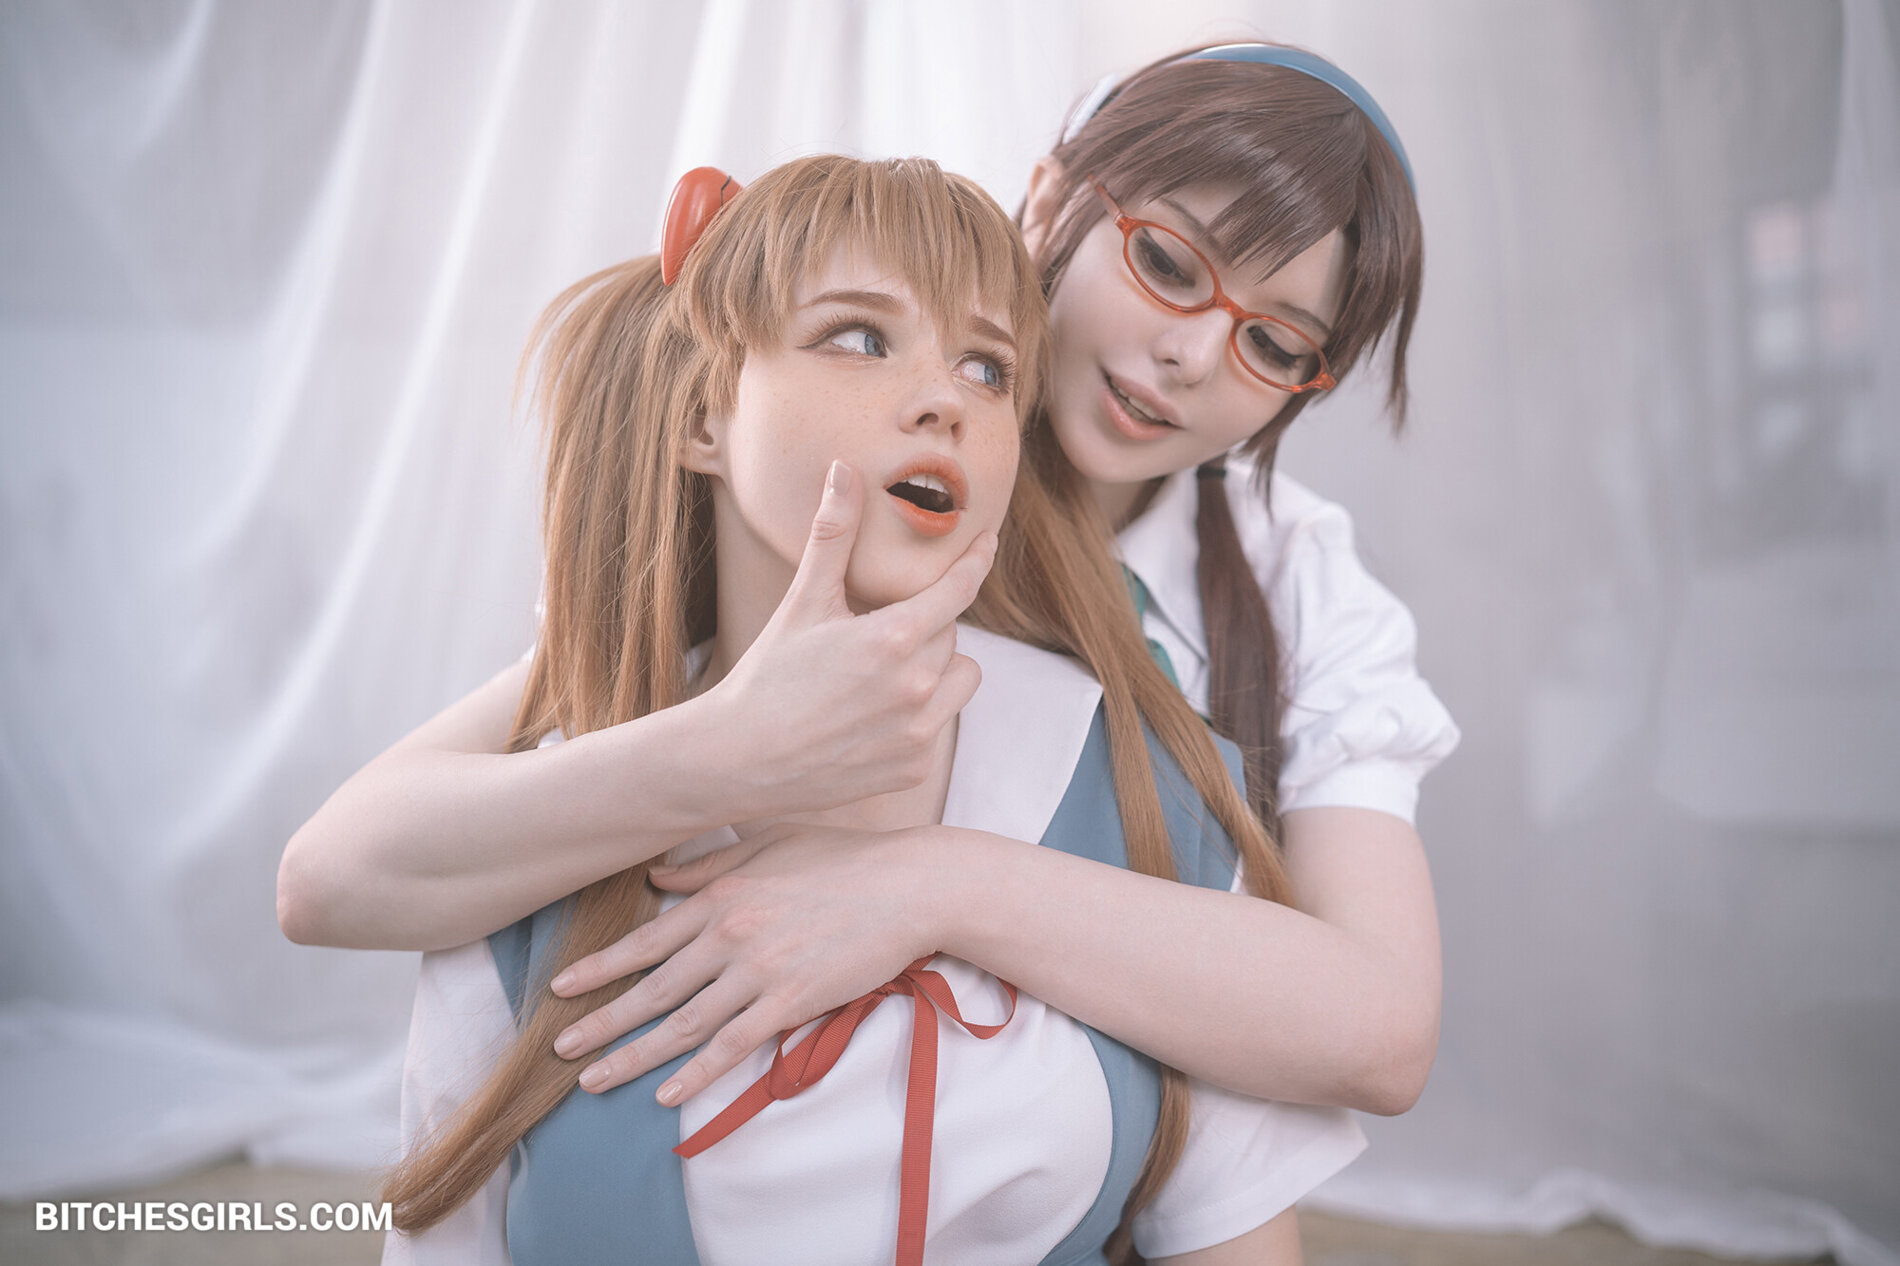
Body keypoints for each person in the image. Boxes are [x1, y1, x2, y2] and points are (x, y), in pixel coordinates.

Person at [280, 35, 1452, 1156]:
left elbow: (1381, 1033)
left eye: (1273, 343)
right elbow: (335, 877)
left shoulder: (1295, 581)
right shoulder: (818, 480)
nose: (1190, 354)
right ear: (1049, 202)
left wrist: (933, 885)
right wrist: (729, 748)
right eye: (1168, 265)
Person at [378, 154, 1361, 1265]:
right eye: (857, 337)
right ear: (703, 416)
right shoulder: (524, 832)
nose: (946, 399)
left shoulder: (1151, 789)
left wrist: (940, 884)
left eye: (988, 368)